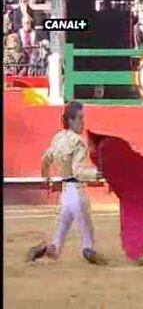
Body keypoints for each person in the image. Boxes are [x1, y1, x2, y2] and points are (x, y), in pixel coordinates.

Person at [27, 101, 107, 265]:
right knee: (87, 243)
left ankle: (49, 249)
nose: (83, 122)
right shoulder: (78, 142)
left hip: (65, 195)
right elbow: (78, 171)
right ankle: (93, 253)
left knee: (58, 243)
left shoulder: (58, 137)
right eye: (80, 118)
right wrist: (97, 174)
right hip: (77, 194)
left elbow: (45, 159)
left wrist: (46, 177)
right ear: (71, 120)